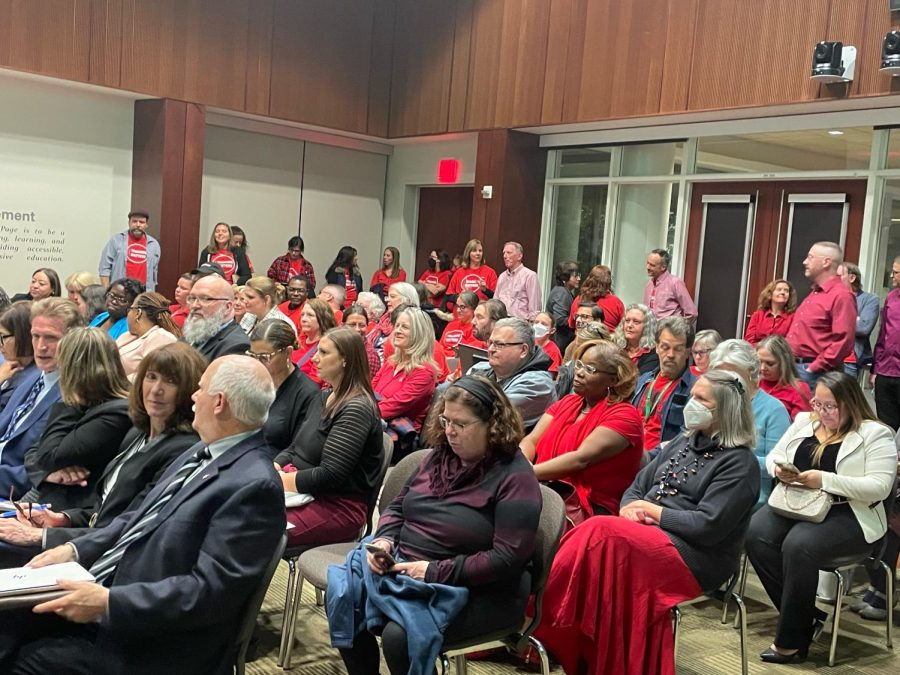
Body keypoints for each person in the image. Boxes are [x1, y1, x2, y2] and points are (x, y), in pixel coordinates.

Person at [0, 355, 284, 674]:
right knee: (8, 617)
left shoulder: (254, 486)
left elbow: (208, 592)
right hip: (113, 593)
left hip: (150, 639)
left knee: (22, 659)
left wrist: (107, 602)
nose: (193, 396)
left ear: (219, 403)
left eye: (200, 389)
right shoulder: (200, 452)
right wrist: (73, 549)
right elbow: (135, 518)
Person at [536, 368, 759, 675]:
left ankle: (539, 612)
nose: (691, 402)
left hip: (695, 556)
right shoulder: (683, 443)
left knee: (602, 532)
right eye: (692, 395)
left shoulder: (740, 464)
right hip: (643, 535)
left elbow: (707, 527)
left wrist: (652, 513)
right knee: (598, 534)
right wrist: (630, 508)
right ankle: (562, 630)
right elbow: (636, 488)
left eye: (700, 398)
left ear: (724, 411)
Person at [332, 375, 542, 675]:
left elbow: (507, 559)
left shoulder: (515, 477)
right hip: (408, 565)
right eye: (445, 420)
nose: (450, 431)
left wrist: (432, 570)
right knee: (344, 594)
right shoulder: (440, 457)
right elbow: (398, 507)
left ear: (492, 425)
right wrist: (385, 540)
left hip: (482, 588)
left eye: (461, 424)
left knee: (399, 636)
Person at [745, 372, 896, 663]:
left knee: (798, 545)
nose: (822, 412)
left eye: (831, 406)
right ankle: (808, 617)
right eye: (819, 404)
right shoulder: (805, 421)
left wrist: (823, 480)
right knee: (755, 533)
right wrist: (783, 470)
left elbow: (879, 486)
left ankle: (791, 641)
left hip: (851, 513)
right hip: (800, 503)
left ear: (851, 403)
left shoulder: (876, 433)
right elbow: (776, 456)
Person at [0, 343, 204, 554]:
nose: (156, 390)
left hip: (101, 554)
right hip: (81, 533)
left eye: (170, 382)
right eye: (151, 377)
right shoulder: (137, 432)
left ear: (189, 391)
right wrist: (63, 519)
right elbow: (104, 507)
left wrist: (42, 537)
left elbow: (130, 526)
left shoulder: (181, 449)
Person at [275, 327, 384, 547]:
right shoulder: (324, 396)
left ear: (346, 360)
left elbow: (330, 475)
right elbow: (295, 448)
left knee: (253, 529)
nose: (315, 359)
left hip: (337, 507)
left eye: (324, 353)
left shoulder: (357, 409)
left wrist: (278, 481)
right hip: (302, 489)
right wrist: (274, 466)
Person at [521, 340, 642, 519]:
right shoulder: (568, 402)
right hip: (542, 487)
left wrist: (525, 474)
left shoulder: (626, 416)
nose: (578, 372)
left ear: (614, 379)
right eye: (579, 364)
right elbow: (531, 440)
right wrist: (520, 464)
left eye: (590, 369)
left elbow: (581, 459)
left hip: (584, 506)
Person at [23, 328, 133, 512]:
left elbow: (49, 454)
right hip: (45, 496)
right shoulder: (88, 403)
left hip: (68, 512)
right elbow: (34, 450)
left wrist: (71, 397)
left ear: (74, 369)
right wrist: (47, 474)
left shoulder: (117, 414)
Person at [0, 298, 82, 496]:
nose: (40, 346)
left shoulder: (76, 394)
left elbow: (41, 471)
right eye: (35, 336)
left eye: (51, 338)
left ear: (73, 339)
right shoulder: (31, 375)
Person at [709, 339, 790, 508]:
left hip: (749, 492)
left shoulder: (774, 410)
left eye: (731, 375)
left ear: (751, 372)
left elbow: (776, 466)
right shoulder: (712, 402)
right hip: (708, 484)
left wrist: (731, 456)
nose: (724, 382)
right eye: (718, 376)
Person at [786, 241, 856, 388]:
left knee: (813, 412)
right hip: (794, 368)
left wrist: (814, 367)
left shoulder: (841, 295)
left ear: (826, 262)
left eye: (810, 257)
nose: (805, 262)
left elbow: (843, 342)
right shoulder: (816, 292)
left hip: (814, 373)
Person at [468, 317, 557, 430]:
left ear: (523, 350)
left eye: (499, 344)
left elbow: (486, 415)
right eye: (490, 343)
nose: (490, 349)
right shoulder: (479, 368)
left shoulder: (538, 384)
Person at [248, 319, 318, 456]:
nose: (256, 363)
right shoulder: (251, 381)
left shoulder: (308, 394)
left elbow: (297, 450)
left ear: (287, 352)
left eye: (264, 357)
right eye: (252, 355)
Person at [631, 316, 696, 451]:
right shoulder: (643, 380)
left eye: (678, 349)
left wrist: (649, 458)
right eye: (665, 347)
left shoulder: (694, 389)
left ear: (688, 352)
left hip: (660, 461)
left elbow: (686, 437)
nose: (670, 354)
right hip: (630, 451)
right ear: (657, 347)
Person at [373, 306, 438, 436]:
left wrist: (358, 412)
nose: (397, 331)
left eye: (405, 327)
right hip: (374, 422)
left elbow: (394, 406)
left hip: (397, 437)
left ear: (419, 333)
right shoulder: (391, 362)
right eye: (397, 326)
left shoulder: (425, 372)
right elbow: (369, 391)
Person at [180, 274, 250, 362]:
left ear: (227, 307)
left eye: (205, 299)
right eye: (192, 298)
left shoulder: (236, 345)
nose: (194, 305)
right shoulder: (191, 334)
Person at [116, 292, 180, 379]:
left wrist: (115, 383)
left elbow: (149, 376)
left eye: (130, 309)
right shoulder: (127, 336)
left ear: (138, 313)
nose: (128, 314)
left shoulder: (161, 338)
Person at [98, 210, 161, 292]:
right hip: (121, 291)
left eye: (141, 222)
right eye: (134, 221)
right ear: (129, 223)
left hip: (144, 294)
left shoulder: (154, 244)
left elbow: (154, 271)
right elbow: (104, 268)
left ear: (146, 225)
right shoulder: (116, 240)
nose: (138, 225)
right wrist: (107, 292)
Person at [837, 262, 880, 378]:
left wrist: (836, 319)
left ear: (852, 278)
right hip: (828, 358)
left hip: (849, 361)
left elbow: (863, 328)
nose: (834, 280)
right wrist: (853, 318)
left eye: (839, 276)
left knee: (846, 395)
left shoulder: (870, 299)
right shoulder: (833, 298)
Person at [871, 255, 900, 430]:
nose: (891, 276)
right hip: (885, 372)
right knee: (886, 426)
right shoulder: (891, 297)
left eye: (896, 272)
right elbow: (883, 335)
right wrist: (875, 370)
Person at [757, 335, 811, 421]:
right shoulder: (753, 383)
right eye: (759, 362)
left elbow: (801, 428)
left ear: (784, 363)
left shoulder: (800, 389)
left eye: (770, 364)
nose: (762, 368)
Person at [556, 321, 610, 399]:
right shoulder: (570, 365)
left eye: (582, 348)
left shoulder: (608, 373)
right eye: (577, 346)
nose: (578, 351)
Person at [0, 302, 37, 415]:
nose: (0, 344)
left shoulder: (34, 377)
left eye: (2, 337)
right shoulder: (11, 366)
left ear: (22, 336)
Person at [643, 248, 697, 324]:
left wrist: (677, 331)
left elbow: (692, 313)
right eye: (647, 263)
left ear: (663, 267)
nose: (647, 267)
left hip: (669, 333)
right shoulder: (649, 285)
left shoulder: (675, 283)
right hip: (650, 333)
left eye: (652, 265)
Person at [293, 298, 338, 387]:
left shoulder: (327, 346)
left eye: (310, 315)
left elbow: (314, 382)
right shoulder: (300, 339)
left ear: (323, 318)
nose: (304, 319)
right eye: (302, 315)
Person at [570, 264, 623, 333]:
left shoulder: (579, 299)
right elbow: (622, 328)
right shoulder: (616, 302)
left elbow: (572, 325)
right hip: (607, 341)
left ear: (589, 279)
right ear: (608, 282)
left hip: (583, 340)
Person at [494, 241, 541, 320]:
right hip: (502, 321)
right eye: (504, 253)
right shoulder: (502, 276)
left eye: (509, 253)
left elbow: (535, 308)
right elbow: (495, 302)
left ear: (519, 256)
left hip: (520, 322)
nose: (505, 256)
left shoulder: (530, 276)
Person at [743, 279, 797, 345]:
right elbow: (749, 340)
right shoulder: (758, 315)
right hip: (757, 353)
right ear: (770, 294)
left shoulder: (793, 318)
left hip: (780, 354)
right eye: (779, 289)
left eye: (786, 291)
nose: (783, 292)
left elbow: (792, 343)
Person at [611, 303, 659, 375]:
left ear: (647, 327)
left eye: (636, 322)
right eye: (627, 321)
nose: (629, 325)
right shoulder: (615, 346)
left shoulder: (653, 354)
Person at [446, 238, 497, 304]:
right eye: (474, 251)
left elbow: (496, 298)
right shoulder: (459, 272)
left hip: (481, 311)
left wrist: (485, 290)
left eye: (480, 251)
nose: (478, 253)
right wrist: (461, 297)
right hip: (462, 311)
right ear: (468, 253)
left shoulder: (490, 272)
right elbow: (448, 296)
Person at [546, 261, 580, 352]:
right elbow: (560, 320)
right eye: (575, 276)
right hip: (560, 343)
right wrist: (576, 320)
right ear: (565, 277)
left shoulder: (563, 291)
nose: (579, 278)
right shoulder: (562, 293)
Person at [343, 304, 381, 379]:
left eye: (362, 325)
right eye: (352, 325)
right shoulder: (336, 347)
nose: (357, 329)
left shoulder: (370, 356)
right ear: (342, 325)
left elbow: (366, 387)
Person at [439, 291, 480, 355]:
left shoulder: (475, 327)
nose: (458, 310)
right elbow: (440, 347)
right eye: (457, 306)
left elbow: (467, 352)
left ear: (473, 309)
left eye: (462, 307)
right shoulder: (451, 325)